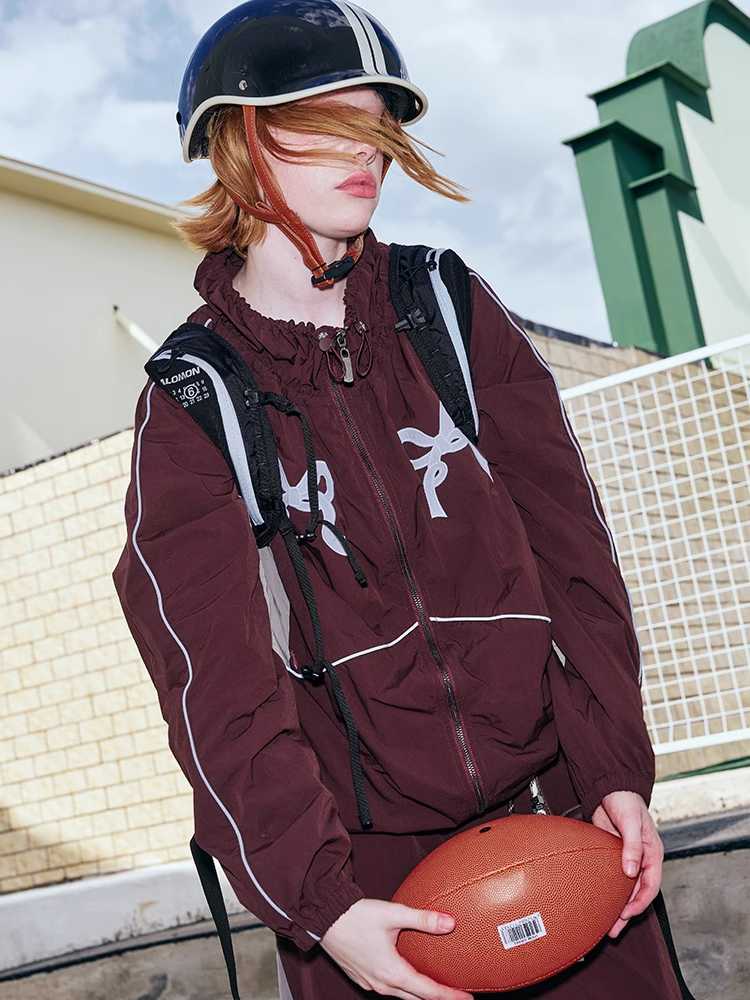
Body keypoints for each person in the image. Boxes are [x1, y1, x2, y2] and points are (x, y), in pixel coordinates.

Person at [111, 2, 685, 998]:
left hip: (558, 815)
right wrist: (321, 904)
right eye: (327, 122)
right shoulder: (194, 398)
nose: (366, 151)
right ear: (237, 142)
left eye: (377, 124)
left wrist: (615, 773)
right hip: (362, 881)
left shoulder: (446, 309)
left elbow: (578, 561)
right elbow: (212, 688)